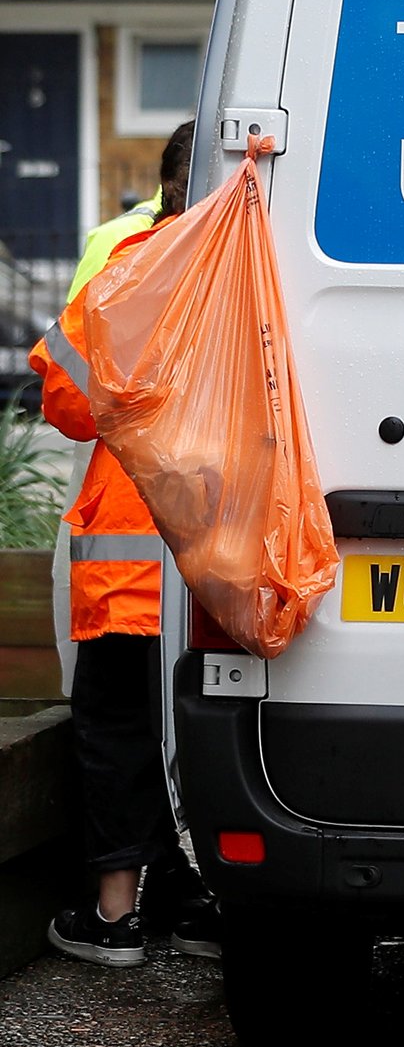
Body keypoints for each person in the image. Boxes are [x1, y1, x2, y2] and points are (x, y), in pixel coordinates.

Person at [34, 124, 218, 967]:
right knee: (205, 728)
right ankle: (199, 904)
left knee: (115, 729)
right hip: (225, 559)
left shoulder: (128, 269)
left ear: (165, 188)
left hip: (129, 552)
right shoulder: (259, 274)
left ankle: (115, 918)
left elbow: (65, 403)